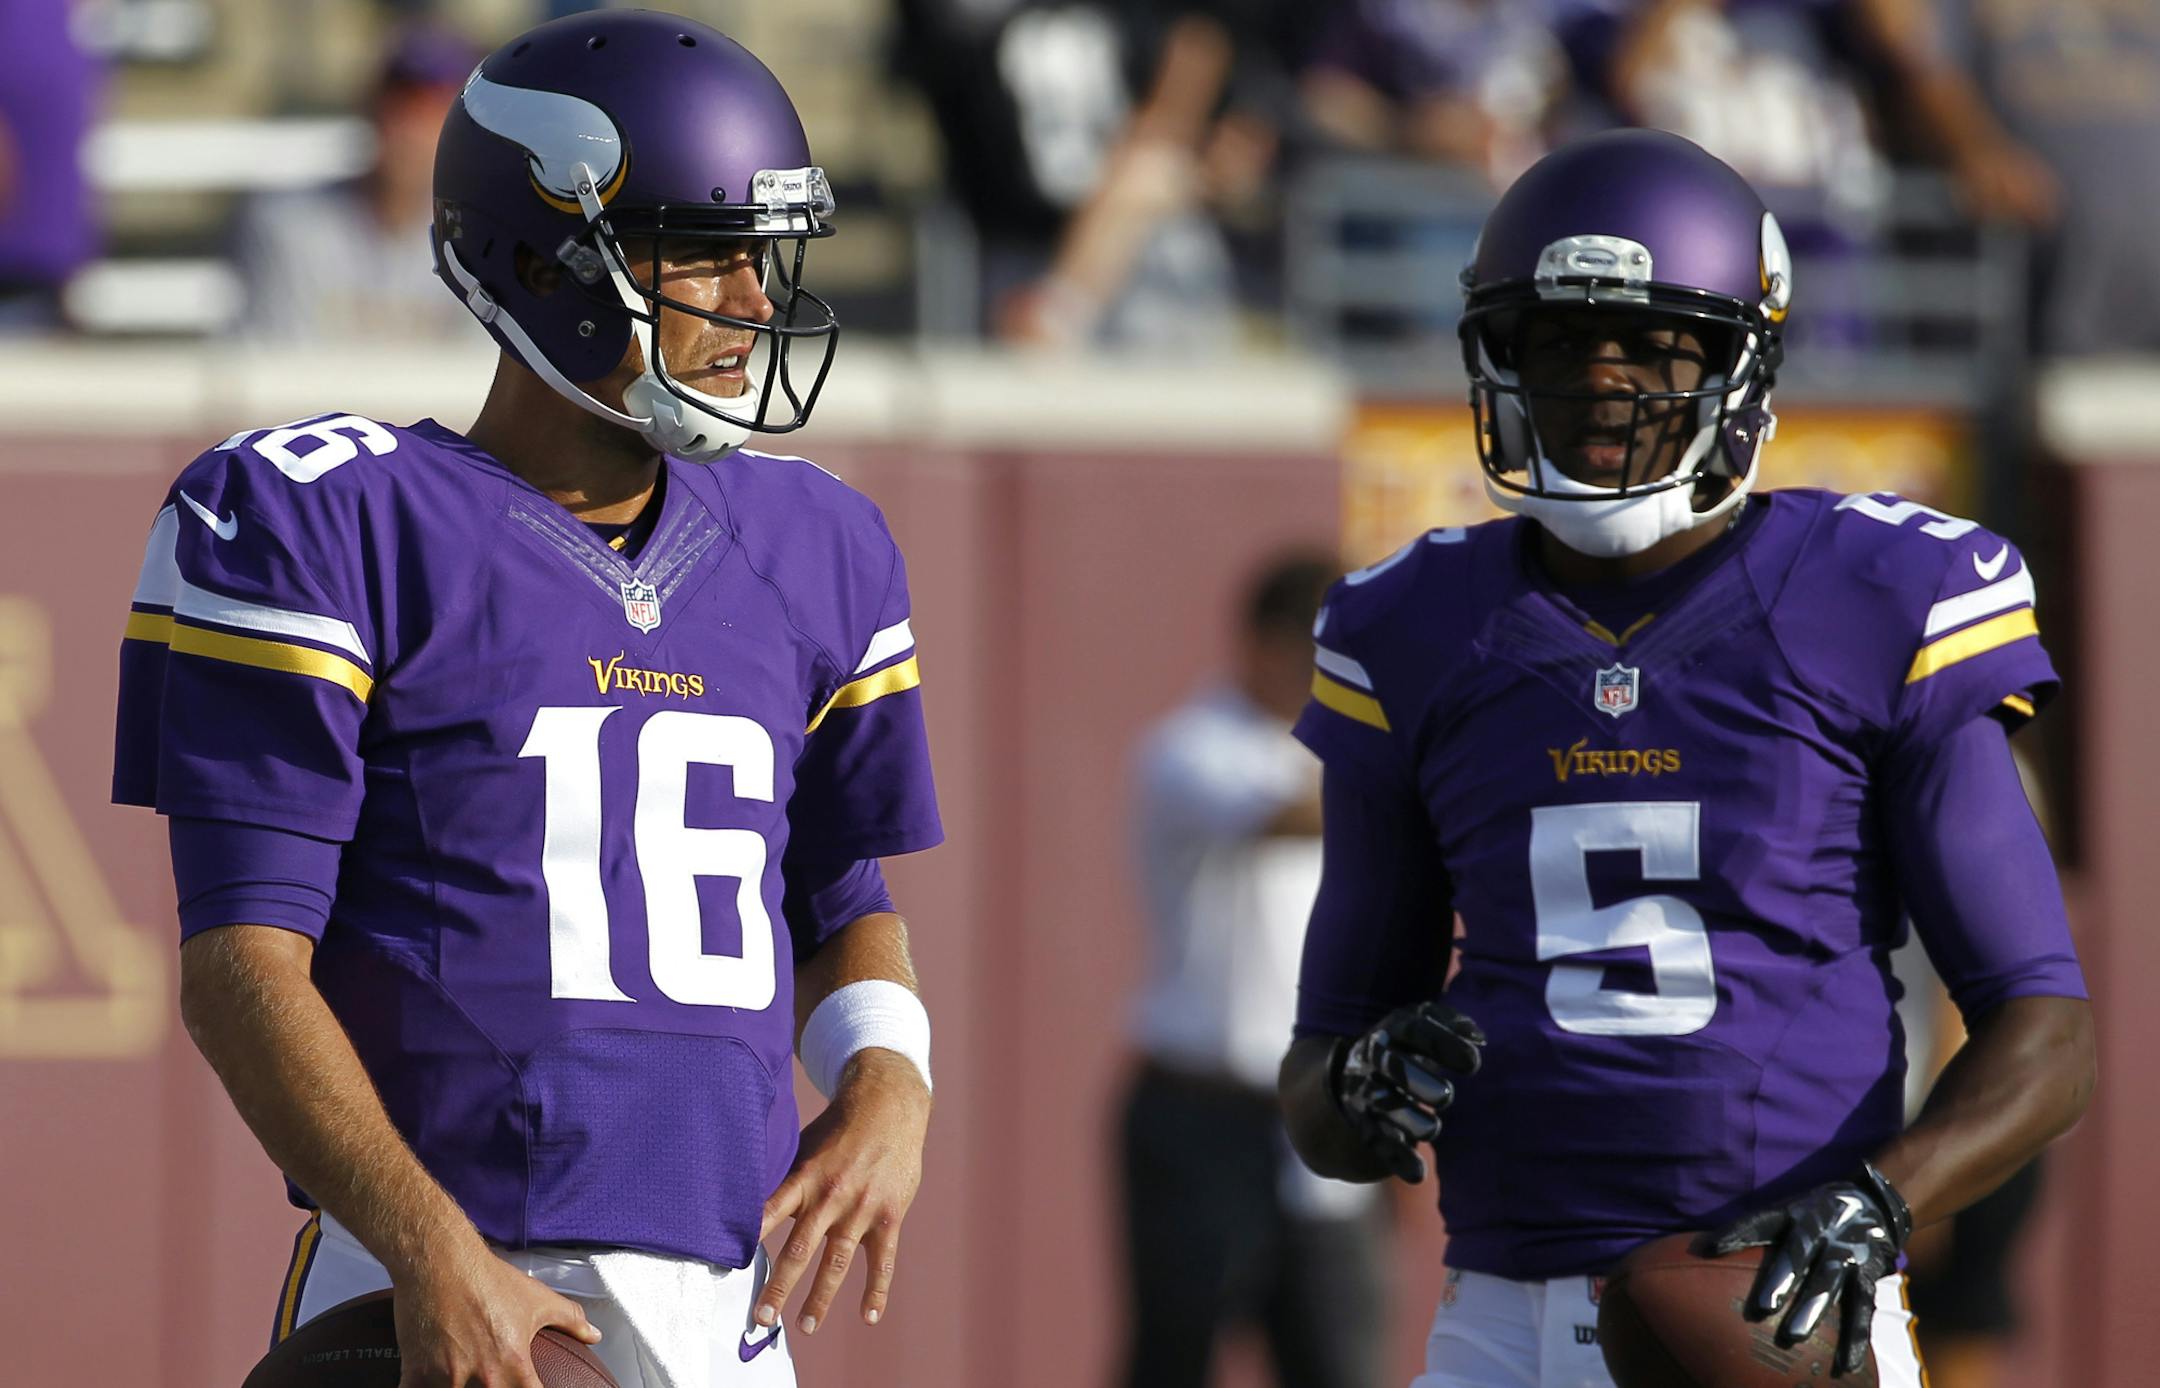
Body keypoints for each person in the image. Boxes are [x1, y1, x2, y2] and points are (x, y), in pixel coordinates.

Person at [111, 14, 940, 1387]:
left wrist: (889, 1081)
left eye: (764, 257)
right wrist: (432, 1250)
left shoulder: (818, 543)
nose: (751, 302)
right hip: (454, 1261)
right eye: (704, 252)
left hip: (731, 1297)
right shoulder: (323, 517)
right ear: (545, 256)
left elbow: (838, 895)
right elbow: (241, 965)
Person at [1276, 128, 2095, 1388]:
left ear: (1745, 365)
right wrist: (1364, 1084)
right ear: (1496, 359)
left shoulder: (1882, 591)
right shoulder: (1411, 624)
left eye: (1657, 345)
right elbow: (1320, 1087)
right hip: (1499, 1317)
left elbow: (2044, 1032)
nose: (1604, 382)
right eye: (1555, 343)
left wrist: (1882, 1200)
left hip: (1774, 1296)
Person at [1120, 552, 1388, 1388]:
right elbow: (1296, 814)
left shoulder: (1360, 755)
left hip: (1330, 1108)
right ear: (1265, 647)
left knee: (1337, 1360)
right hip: (1204, 1113)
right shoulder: (1192, 747)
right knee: (1174, 1358)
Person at [235, 24, 482, 343]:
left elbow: (479, 373)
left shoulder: (479, 244)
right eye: (401, 107)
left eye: (433, 112)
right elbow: (276, 368)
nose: (411, 130)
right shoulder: (289, 230)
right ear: (371, 110)